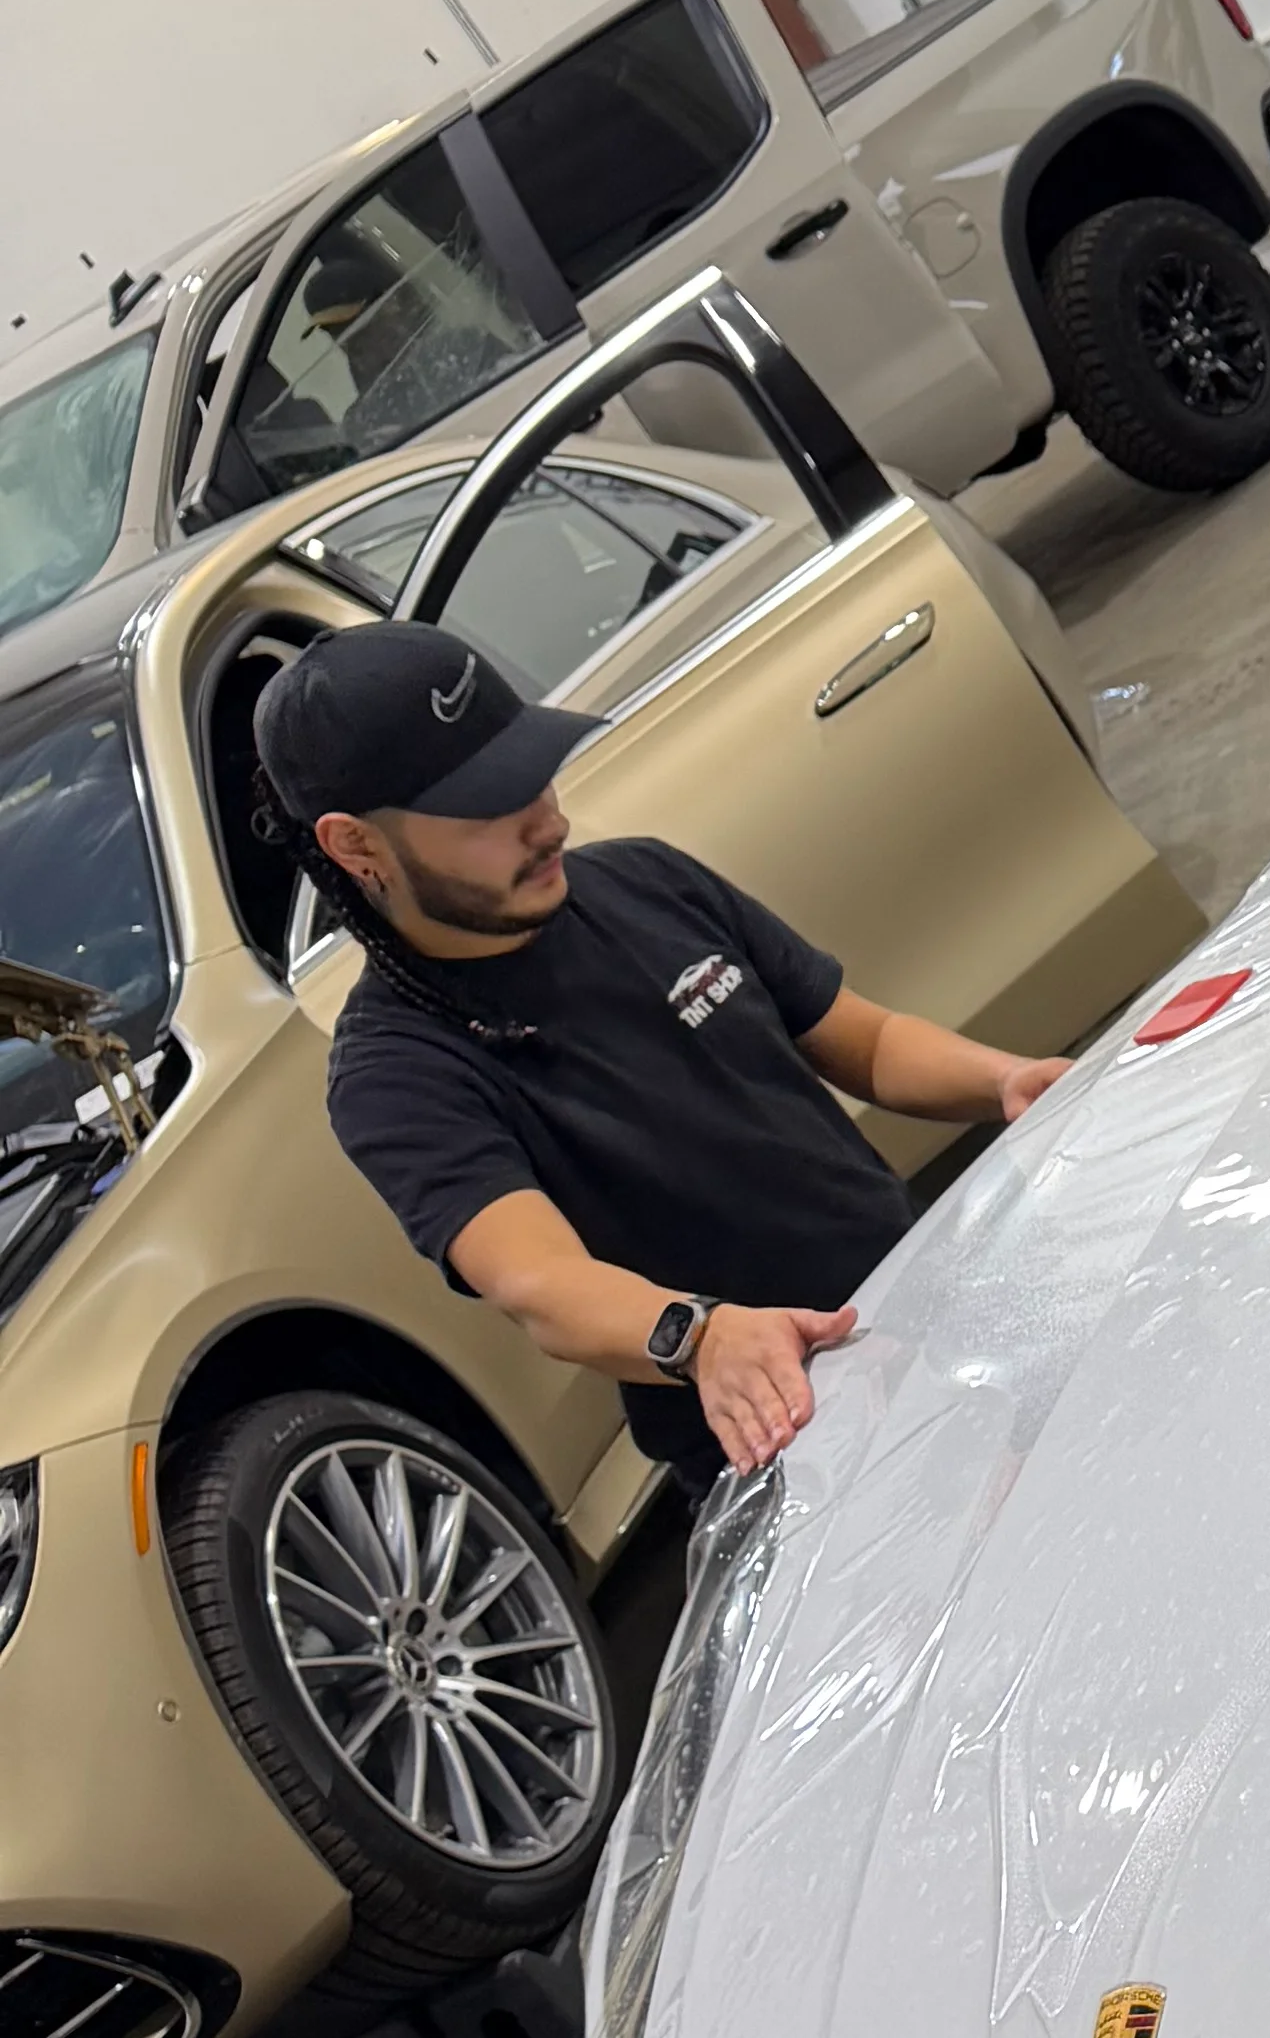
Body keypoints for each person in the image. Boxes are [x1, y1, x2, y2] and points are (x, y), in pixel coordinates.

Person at [260, 616, 1064, 1483]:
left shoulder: (647, 881)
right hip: (785, 1437)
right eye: (488, 804)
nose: (548, 821)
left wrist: (1005, 1079)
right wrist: (701, 1337)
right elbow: (540, 1284)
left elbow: (863, 1041)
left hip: (932, 1309)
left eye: (534, 774)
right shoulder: (396, 1073)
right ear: (355, 844)